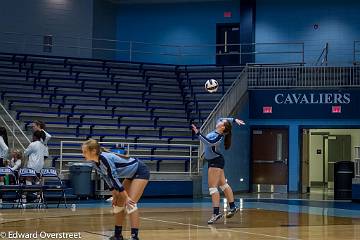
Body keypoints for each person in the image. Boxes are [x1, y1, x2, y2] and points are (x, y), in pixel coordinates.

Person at [82, 139, 150, 240]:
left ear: (93, 151)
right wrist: (115, 195)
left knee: (131, 204)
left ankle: (134, 237)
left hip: (140, 171)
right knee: (119, 203)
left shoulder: (105, 159)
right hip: (130, 174)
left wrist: (126, 197)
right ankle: (118, 235)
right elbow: (106, 178)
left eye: (84, 152)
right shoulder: (94, 162)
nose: (82, 154)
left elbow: (114, 179)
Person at [191, 117, 245, 224]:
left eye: (221, 122)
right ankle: (233, 207)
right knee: (223, 185)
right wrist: (234, 120)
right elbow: (221, 118)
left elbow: (209, 143)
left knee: (212, 189)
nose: (219, 121)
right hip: (216, 161)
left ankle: (216, 213)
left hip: (215, 161)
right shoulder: (218, 128)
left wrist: (198, 133)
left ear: (223, 127)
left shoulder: (219, 137)